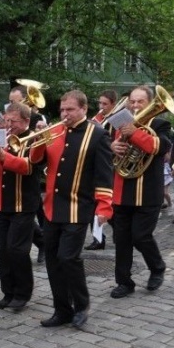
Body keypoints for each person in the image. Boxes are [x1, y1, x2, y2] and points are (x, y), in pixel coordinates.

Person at [39, 90, 113, 328]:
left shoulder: (98, 135)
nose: (65, 114)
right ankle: (62, 310)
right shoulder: (55, 130)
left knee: (68, 258)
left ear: (83, 109)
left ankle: (81, 305)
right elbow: (38, 161)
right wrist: (39, 137)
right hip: (52, 206)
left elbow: (104, 175)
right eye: (62, 109)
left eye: (70, 109)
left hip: (78, 206)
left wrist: (104, 207)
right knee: (52, 260)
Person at [109, 86, 171, 299]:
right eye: (132, 102)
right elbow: (115, 153)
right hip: (123, 190)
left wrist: (134, 133)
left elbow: (159, 146)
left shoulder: (161, 124)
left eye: (140, 102)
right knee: (122, 239)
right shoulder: (120, 124)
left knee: (141, 236)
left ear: (150, 103)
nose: (135, 106)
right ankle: (124, 282)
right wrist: (113, 147)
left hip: (148, 192)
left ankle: (157, 267)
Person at [0, 102, 45, 311]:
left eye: (14, 122)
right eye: (7, 121)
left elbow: (29, 167)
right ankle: (7, 292)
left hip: (24, 204)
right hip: (2, 203)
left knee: (17, 251)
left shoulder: (34, 140)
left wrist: (3, 156)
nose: (9, 125)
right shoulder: (4, 138)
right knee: (2, 251)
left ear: (27, 121)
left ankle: (22, 294)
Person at [85, 89, 119, 250]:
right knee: (93, 204)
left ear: (113, 104)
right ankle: (98, 239)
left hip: (111, 166)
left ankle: (119, 233)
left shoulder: (118, 119)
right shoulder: (97, 118)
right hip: (95, 166)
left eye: (105, 104)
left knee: (107, 204)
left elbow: (121, 141)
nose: (101, 106)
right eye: (100, 103)